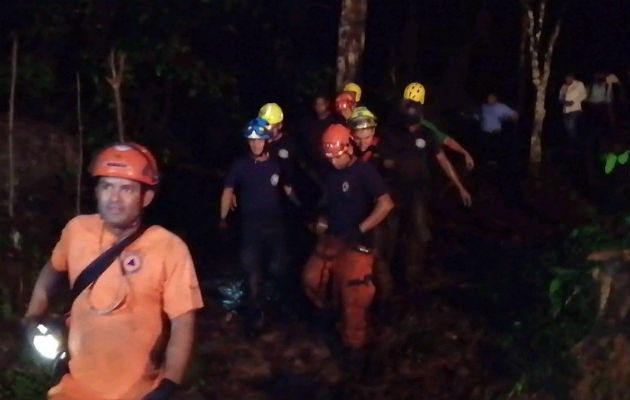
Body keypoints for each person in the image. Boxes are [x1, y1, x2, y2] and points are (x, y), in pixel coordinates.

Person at [23, 143, 203, 400]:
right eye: (107, 186)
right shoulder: (77, 231)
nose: (114, 198)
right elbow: (51, 270)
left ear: (146, 197)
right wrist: (34, 312)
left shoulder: (169, 248)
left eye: (126, 189)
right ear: (97, 191)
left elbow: (183, 323)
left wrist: (168, 384)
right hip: (72, 390)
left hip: (138, 392)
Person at [302, 124, 394, 349]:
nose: (333, 161)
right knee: (311, 278)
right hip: (333, 238)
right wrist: (321, 219)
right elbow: (327, 203)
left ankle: (355, 348)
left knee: (354, 294)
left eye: (337, 156)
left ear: (349, 148)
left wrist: (361, 229)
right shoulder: (332, 173)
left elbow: (386, 204)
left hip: (358, 241)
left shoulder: (365, 171)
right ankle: (330, 311)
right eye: (329, 157)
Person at [220, 117, 295, 332]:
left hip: (275, 222)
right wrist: (223, 217)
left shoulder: (276, 164)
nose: (255, 144)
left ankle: (277, 304)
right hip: (251, 223)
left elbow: (288, 188)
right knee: (252, 267)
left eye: (259, 140)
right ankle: (256, 312)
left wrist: (302, 208)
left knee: (278, 267)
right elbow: (227, 190)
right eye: (252, 140)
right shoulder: (240, 165)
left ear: (266, 141)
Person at [387, 105, 472, 284]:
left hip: (418, 190)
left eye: (413, 123)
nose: (410, 127)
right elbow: (384, 158)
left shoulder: (428, 134)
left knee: (419, 231)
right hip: (395, 189)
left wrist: (460, 186)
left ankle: (413, 274)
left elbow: (443, 160)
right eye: (408, 123)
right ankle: (386, 270)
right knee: (390, 231)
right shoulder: (394, 132)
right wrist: (388, 163)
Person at [401, 82, 475, 170]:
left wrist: (464, 152)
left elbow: (446, 139)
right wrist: (465, 153)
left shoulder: (399, 118)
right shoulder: (421, 123)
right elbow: (446, 142)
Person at [478, 91, 518, 165]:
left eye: (492, 98)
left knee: (495, 150)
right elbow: (479, 116)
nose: (490, 99)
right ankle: (485, 164)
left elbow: (513, 114)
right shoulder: (484, 106)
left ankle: (494, 165)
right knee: (485, 151)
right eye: (489, 98)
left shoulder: (501, 107)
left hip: (495, 133)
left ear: (495, 99)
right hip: (485, 133)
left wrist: (511, 118)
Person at [558, 73, 587, 140]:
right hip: (565, 109)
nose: (567, 79)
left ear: (572, 77)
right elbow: (560, 97)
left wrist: (573, 101)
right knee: (567, 126)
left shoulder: (578, 84)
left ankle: (573, 140)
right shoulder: (564, 86)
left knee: (571, 125)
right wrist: (564, 102)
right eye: (566, 78)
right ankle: (572, 139)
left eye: (569, 78)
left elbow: (584, 94)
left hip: (575, 108)